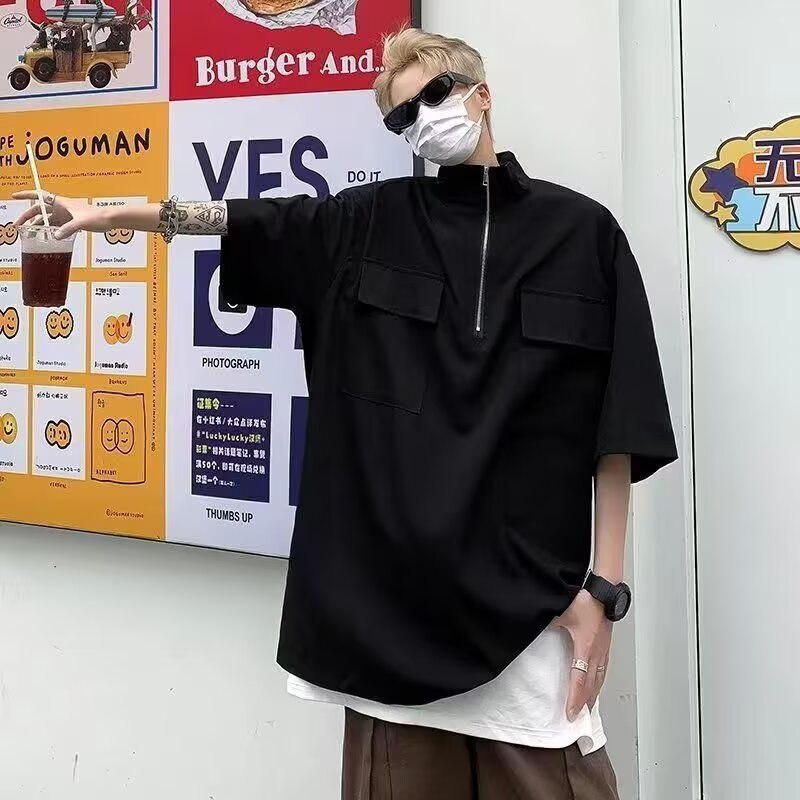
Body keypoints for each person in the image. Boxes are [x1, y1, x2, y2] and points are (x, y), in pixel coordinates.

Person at [14, 27, 677, 800]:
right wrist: (98, 215)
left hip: (534, 612)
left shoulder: (584, 236)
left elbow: (618, 428)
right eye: (402, 116)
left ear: (481, 93)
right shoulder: (366, 222)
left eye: (433, 96)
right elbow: (235, 217)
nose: (423, 120)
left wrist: (603, 592)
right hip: (389, 619)